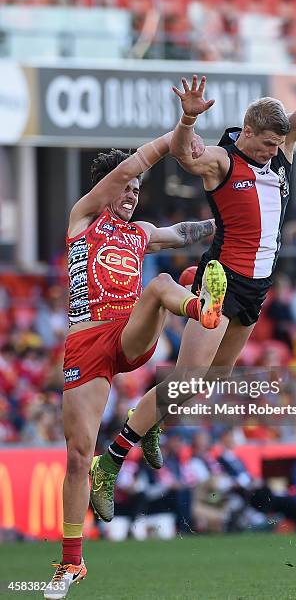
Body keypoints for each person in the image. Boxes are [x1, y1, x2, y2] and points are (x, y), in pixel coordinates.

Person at [92, 13, 296, 517]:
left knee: (206, 384)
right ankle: (111, 462)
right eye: (269, 143)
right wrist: (187, 119)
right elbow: (186, 156)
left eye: (280, 144)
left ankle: (156, 422)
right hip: (220, 280)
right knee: (186, 379)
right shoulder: (225, 162)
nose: (277, 151)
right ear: (248, 131)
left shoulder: (280, 150)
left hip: (256, 288)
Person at [44, 135, 227, 599]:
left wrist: (227, 220)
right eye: (125, 188)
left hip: (131, 334)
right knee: (79, 454)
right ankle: (71, 564)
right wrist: (178, 130)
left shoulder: (140, 233)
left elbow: (187, 232)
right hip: (86, 340)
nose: (131, 194)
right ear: (107, 188)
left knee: (163, 282)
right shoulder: (82, 217)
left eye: (137, 189)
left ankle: (201, 309)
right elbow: (125, 172)